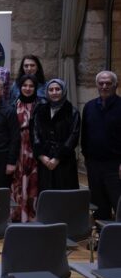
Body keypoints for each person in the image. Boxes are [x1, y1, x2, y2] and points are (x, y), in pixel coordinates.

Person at [81, 71, 121, 221]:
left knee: (118, 203)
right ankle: (101, 234)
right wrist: (86, 157)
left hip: (115, 166)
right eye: (101, 83)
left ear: (116, 85)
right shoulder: (89, 107)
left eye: (108, 83)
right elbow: (85, 135)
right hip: (94, 165)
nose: (104, 86)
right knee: (99, 206)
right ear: (97, 85)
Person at [32, 78, 80, 192]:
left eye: (57, 89)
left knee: (64, 195)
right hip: (45, 159)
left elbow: (73, 136)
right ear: (47, 92)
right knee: (46, 195)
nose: (54, 92)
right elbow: (35, 133)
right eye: (51, 90)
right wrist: (41, 156)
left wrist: (58, 158)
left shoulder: (72, 112)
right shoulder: (40, 110)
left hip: (64, 160)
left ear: (63, 91)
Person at [10, 74, 41, 222]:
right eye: (24, 85)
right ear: (20, 87)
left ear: (35, 88)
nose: (27, 88)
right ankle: (17, 216)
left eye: (31, 86)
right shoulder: (13, 105)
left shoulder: (41, 105)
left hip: (35, 150)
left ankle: (31, 217)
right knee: (17, 182)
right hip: (17, 149)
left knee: (33, 182)